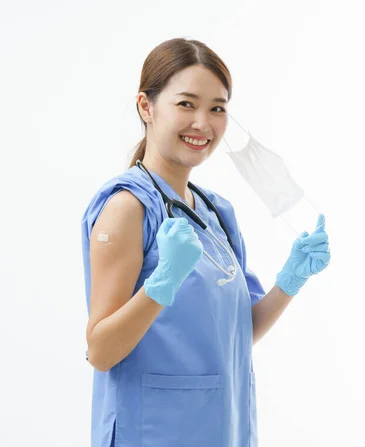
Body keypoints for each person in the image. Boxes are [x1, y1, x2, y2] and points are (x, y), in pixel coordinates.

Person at [81, 38, 331, 447]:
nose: (203, 122)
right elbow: (101, 351)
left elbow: (236, 332)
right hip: (153, 433)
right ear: (146, 107)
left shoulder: (216, 213)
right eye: (186, 104)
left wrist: (290, 280)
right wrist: (161, 284)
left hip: (223, 429)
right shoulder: (128, 208)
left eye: (217, 108)